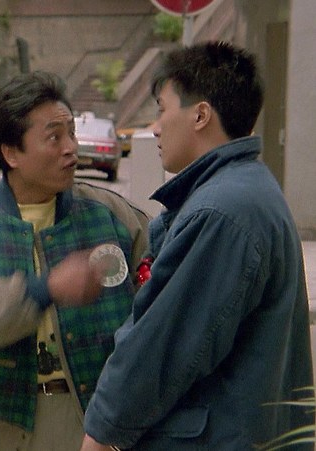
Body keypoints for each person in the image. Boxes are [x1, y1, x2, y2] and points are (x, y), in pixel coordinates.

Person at [81, 41, 315, 450]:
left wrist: (101, 432)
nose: (155, 127)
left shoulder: (221, 211)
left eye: (162, 109)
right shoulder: (246, 189)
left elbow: (161, 349)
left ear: (201, 115)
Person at [0, 70, 150, 450]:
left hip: (99, 426)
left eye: (72, 133)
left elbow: (159, 296)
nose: (71, 148)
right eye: (54, 137)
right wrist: (44, 289)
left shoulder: (113, 216)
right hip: (7, 429)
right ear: (11, 153)